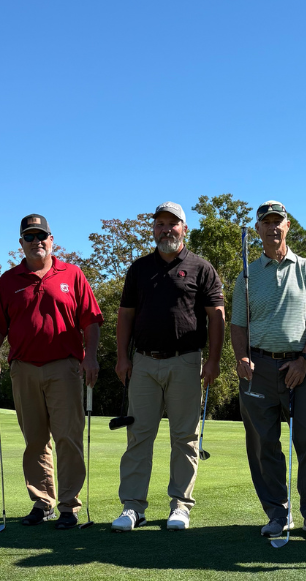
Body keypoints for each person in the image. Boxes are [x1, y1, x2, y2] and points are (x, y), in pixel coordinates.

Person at [0, 214, 103, 529]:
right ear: (21, 243)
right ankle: (42, 502)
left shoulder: (72, 274)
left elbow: (90, 319)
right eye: (30, 237)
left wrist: (90, 357)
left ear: (52, 239)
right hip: (24, 369)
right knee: (35, 440)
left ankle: (69, 507)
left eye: (41, 236)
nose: (37, 242)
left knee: (68, 438)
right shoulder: (8, 281)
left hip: (65, 366)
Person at [111, 202, 225, 532]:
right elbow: (126, 316)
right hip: (144, 362)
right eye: (160, 224)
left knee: (185, 438)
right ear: (154, 229)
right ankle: (133, 507)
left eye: (172, 224)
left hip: (187, 361)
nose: (166, 229)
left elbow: (216, 317)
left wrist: (214, 361)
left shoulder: (202, 268)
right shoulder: (139, 269)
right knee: (138, 438)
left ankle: (180, 506)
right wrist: (122, 356)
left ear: (184, 229)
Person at [230, 200, 306, 540]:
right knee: (263, 445)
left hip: (299, 368)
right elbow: (237, 325)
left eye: (279, 222)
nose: (273, 227)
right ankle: (277, 513)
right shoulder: (247, 275)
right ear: (258, 229)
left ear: (288, 226)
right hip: (258, 367)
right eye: (266, 222)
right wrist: (241, 356)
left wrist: (304, 359)